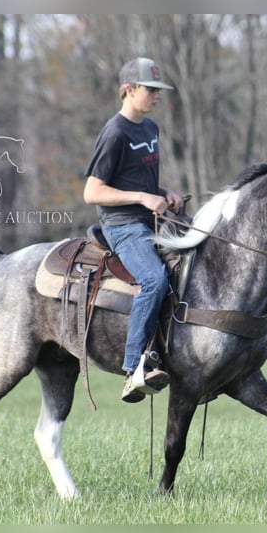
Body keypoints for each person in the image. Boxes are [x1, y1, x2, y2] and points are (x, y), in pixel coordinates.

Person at [83, 57, 184, 403]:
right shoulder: (115, 132)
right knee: (154, 279)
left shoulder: (150, 129)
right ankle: (132, 369)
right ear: (128, 90)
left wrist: (162, 192)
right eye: (150, 90)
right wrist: (143, 197)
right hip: (122, 226)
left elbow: (139, 179)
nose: (157, 97)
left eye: (158, 91)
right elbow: (92, 191)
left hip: (148, 219)